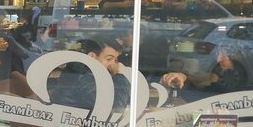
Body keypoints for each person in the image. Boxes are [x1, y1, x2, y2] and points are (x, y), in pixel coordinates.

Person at [48, 37, 187, 112]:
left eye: (115, 60)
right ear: (91, 57)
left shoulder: (84, 73)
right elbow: (115, 108)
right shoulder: (82, 77)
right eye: (108, 59)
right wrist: (120, 75)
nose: (113, 64)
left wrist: (163, 84)